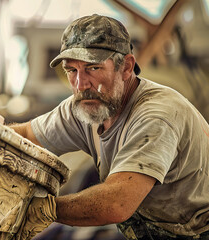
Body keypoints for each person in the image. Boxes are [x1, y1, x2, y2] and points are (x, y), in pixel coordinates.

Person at [11, 14, 209, 239]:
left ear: (126, 67)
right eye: (72, 70)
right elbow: (26, 135)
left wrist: (44, 209)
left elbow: (116, 202)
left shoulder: (157, 116)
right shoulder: (87, 105)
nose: (81, 84)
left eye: (93, 68)